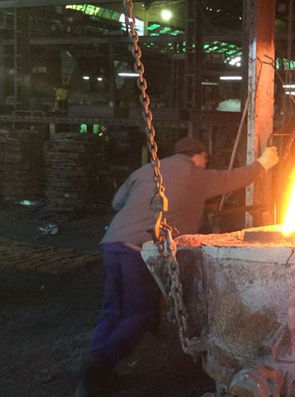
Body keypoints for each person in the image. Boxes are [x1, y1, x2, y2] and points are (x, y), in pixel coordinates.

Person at [76, 137, 279, 397]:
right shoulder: (194, 173)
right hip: (140, 251)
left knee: (113, 309)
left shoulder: (148, 169)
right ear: (198, 157)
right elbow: (232, 179)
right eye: (205, 160)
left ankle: (98, 369)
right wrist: (264, 163)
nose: (205, 164)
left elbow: (117, 202)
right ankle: (97, 365)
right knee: (140, 313)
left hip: (113, 244)